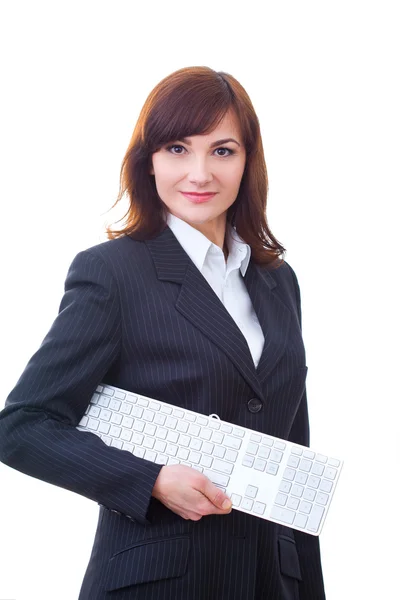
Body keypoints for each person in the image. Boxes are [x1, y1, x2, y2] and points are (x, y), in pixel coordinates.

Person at [0, 66, 325, 599]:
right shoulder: (113, 272)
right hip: (160, 581)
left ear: (248, 161)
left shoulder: (277, 282)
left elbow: (292, 459)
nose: (199, 173)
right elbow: (23, 426)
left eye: (222, 151)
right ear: (148, 161)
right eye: (177, 148)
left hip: (272, 581)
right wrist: (149, 480)